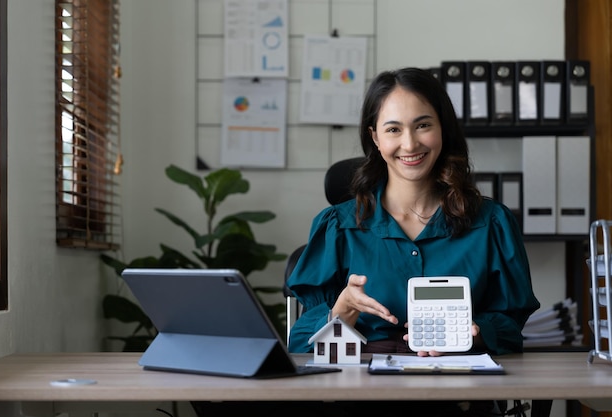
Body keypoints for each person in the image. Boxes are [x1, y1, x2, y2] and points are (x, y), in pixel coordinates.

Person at [192, 67, 540, 417]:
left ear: (443, 129)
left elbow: (511, 328)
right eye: (393, 129)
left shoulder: (492, 223)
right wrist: (342, 312)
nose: (410, 144)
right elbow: (301, 345)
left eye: (423, 125)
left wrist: (477, 334)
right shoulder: (339, 227)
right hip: (361, 399)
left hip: (460, 397)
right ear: (375, 138)